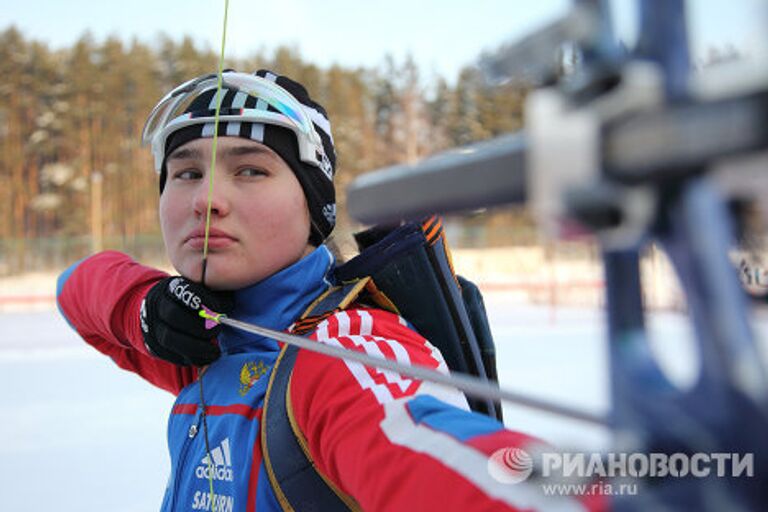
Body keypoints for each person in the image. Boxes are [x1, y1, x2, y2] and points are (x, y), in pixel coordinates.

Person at [57, 69, 598, 511]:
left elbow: (439, 458)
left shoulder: (339, 351)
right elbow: (76, 290)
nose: (207, 200)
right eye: (186, 173)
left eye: (249, 171)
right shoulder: (207, 344)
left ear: (315, 210)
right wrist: (143, 308)